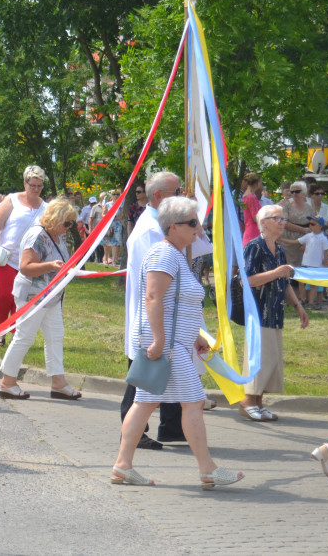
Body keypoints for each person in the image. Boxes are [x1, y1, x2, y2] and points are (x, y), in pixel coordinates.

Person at [112, 196, 244, 489]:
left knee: (144, 403)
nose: (199, 229)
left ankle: (123, 465)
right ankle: (207, 469)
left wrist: (194, 336)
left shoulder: (174, 254)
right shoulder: (165, 255)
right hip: (168, 346)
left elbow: (176, 303)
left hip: (174, 343)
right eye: (193, 223)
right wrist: (159, 341)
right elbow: (154, 298)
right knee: (193, 402)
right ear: (173, 227)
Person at [121, 172, 184, 449]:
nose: (181, 196)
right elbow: (156, 279)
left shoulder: (161, 224)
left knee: (171, 369)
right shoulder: (150, 230)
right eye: (177, 192)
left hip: (166, 310)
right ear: (158, 196)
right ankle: (133, 430)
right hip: (152, 311)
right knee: (143, 372)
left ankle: (172, 425)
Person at [0, 199, 81, 400]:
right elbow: (25, 267)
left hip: (50, 296)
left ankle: (58, 383)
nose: (68, 228)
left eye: (71, 224)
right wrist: (51, 266)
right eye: (67, 223)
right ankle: (7, 382)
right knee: (24, 337)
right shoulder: (38, 235)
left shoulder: (56, 235)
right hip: (32, 296)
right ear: (56, 219)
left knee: (56, 335)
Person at [237, 205, 309, 421]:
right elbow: (246, 280)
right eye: (276, 218)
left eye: (283, 219)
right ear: (263, 222)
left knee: (272, 359)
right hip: (258, 311)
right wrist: (275, 272)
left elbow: (284, 282)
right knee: (259, 357)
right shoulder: (254, 247)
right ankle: (247, 401)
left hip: (275, 312)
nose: (282, 222)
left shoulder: (279, 249)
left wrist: (298, 306)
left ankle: (259, 402)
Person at [0, 165, 47, 338]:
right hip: (6, 257)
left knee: (20, 297)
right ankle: (1, 325)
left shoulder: (46, 207)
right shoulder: (12, 200)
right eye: (32, 185)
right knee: (4, 295)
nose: (35, 189)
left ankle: (13, 331)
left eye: (39, 186)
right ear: (25, 183)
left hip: (29, 261)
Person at [279, 181, 315, 267]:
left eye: (297, 191)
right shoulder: (286, 205)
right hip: (289, 240)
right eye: (292, 192)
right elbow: (285, 223)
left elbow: (314, 223)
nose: (294, 194)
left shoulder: (310, 207)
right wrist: (303, 230)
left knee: (303, 265)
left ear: (304, 193)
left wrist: (306, 240)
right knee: (289, 266)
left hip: (305, 239)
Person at [298, 216, 328, 308]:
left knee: (314, 285)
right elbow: (297, 242)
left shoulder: (323, 238)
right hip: (305, 263)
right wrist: (281, 240)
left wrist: (326, 267)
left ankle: (312, 302)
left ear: (320, 226)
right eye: (309, 224)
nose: (310, 226)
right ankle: (303, 300)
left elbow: (326, 253)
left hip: (317, 266)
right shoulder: (308, 236)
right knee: (302, 282)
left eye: (312, 224)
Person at [240, 172, 263, 245]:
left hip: (250, 229)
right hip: (254, 231)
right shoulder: (251, 197)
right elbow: (255, 218)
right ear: (258, 183)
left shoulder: (246, 196)